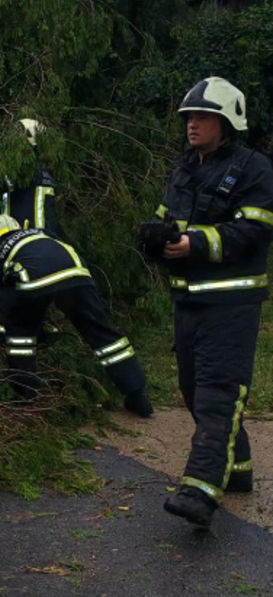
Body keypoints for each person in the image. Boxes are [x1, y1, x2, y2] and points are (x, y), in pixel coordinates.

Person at [138, 77, 273, 527]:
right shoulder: (183, 170)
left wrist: (195, 244)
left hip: (231, 304)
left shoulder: (254, 168)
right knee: (195, 393)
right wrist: (155, 240)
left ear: (227, 122)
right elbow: (164, 222)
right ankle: (237, 471)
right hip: (188, 302)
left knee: (218, 394)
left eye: (202, 117)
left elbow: (254, 230)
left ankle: (199, 489)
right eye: (189, 117)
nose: (192, 124)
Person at [0, 214, 153, 416]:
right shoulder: (42, 234)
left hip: (35, 282)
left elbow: (0, 300)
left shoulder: (0, 251)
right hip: (77, 275)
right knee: (103, 335)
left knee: (21, 334)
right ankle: (137, 394)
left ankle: (25, 395)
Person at [0, 119, 60, 344]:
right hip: (27, 239)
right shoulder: (31, 173)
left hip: (26, 241)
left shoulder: (27, 172)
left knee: (18, 294)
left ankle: (3, 337)